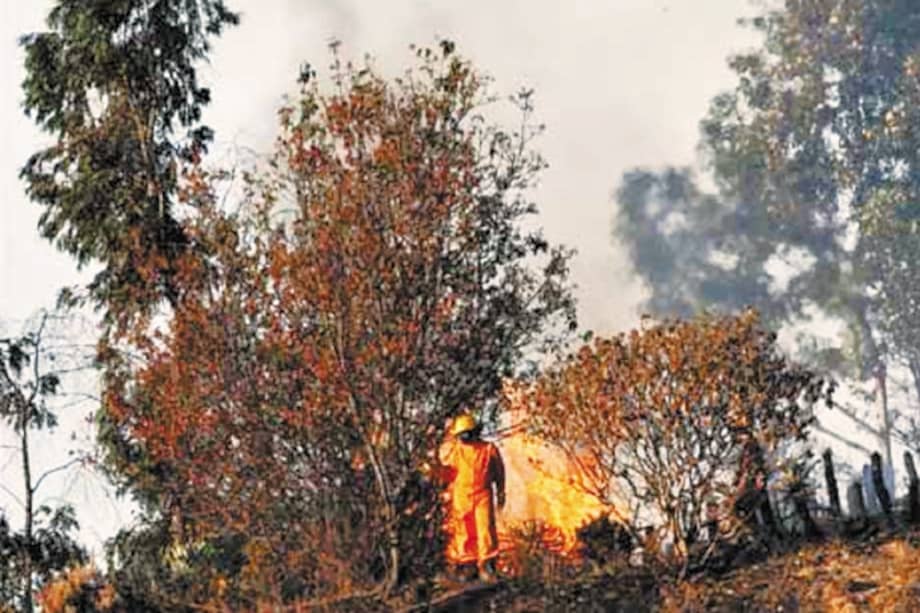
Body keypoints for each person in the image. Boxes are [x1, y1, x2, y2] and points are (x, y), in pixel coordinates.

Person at [438, 413, 506, 582]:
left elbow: (499, 472)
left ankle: (487, 565)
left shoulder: (488, 449)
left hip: (483, 494)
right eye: (461, 436)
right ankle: (467, 565)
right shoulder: (456, 451)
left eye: (466, 434)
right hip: (461, 495)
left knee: (485, 529)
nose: (464, 438)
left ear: (474, 432)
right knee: (464, 530)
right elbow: (447, 473)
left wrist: (501, 492)